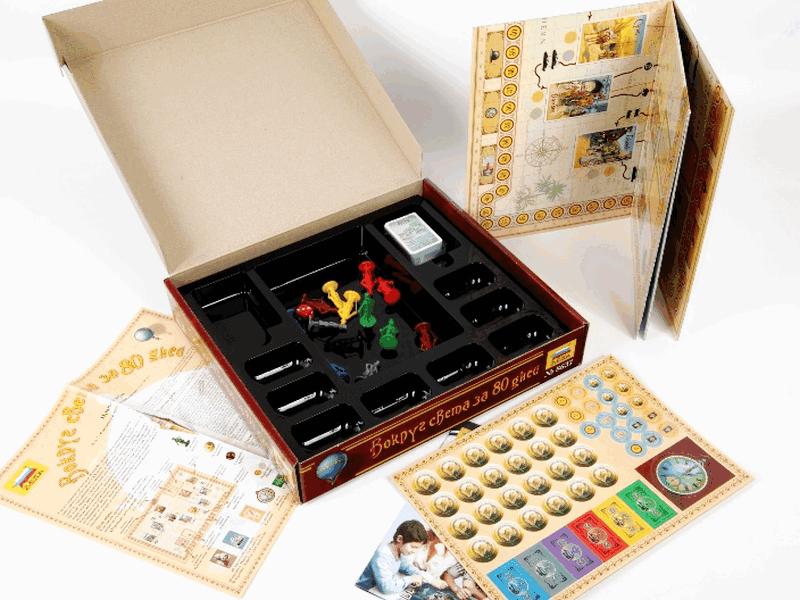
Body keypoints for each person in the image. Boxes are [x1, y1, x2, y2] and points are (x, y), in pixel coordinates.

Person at [356, 520, 428, 594]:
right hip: (364, 587)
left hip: (376, 587)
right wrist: (411, 579)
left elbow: (406, 566)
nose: (414, 551)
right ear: (399, 539)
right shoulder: (383, 554)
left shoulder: (400, 551)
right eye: (413, 547)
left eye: (417, 548)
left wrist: (419, 575)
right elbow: (387, 588)